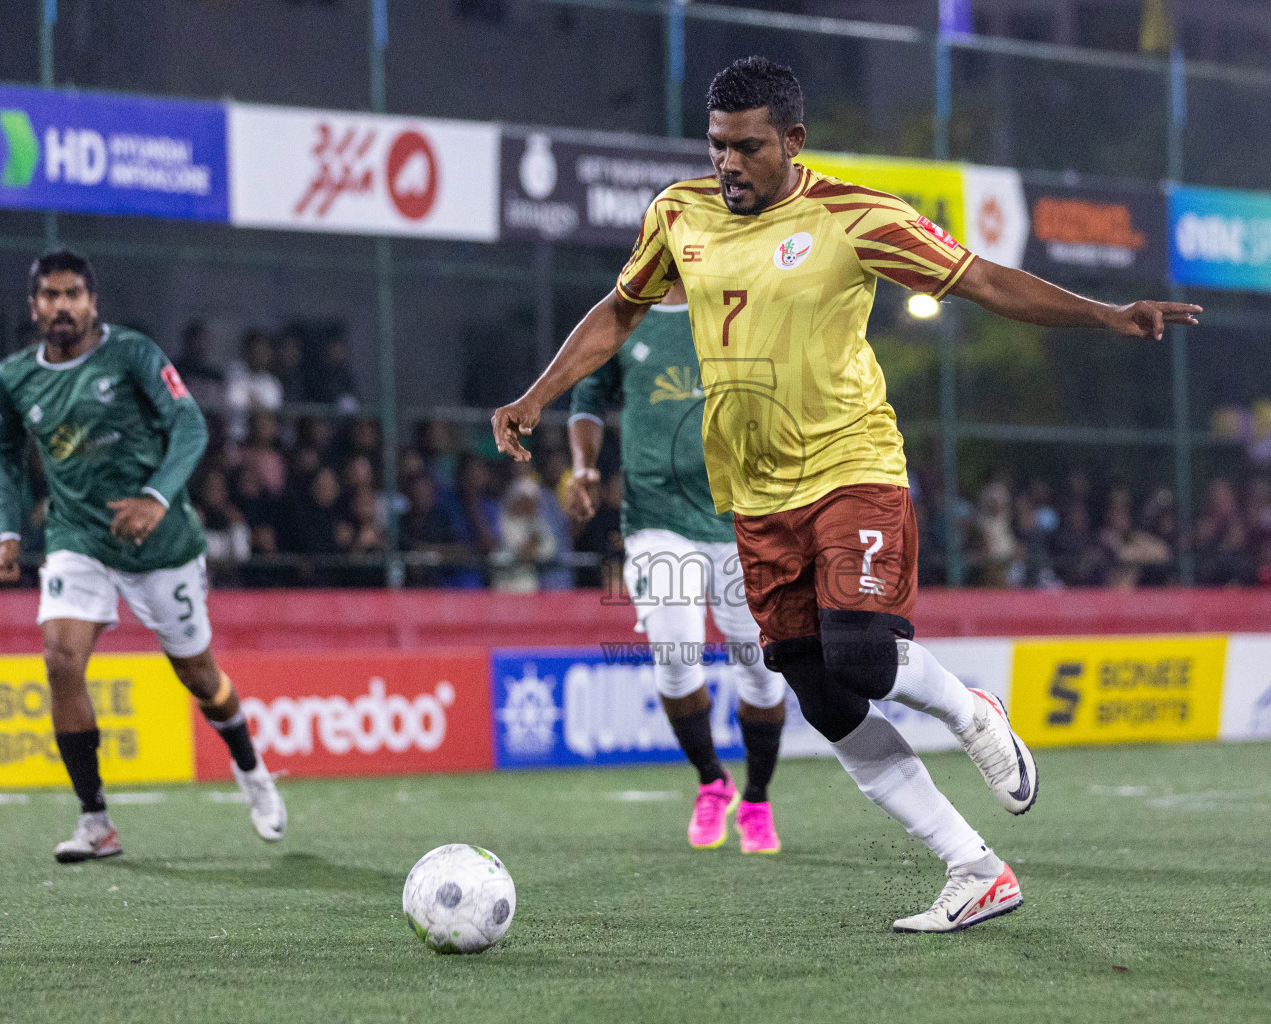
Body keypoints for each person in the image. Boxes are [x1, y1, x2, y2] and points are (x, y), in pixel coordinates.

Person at [491, 57, 1200, 933]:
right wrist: (535, 396)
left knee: (863, 654)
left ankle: (972, 711)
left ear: (792, 141)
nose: (728, 164)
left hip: (851, 467)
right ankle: (973, 868)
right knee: (821, 696)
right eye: (717, 146)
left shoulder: (857, 218)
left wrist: (1102, 313)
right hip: (752, 496)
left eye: (747, 147)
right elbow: (618, 310)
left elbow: (981, 280)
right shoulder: (678, 214)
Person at [0, 251, 286, 862]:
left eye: (74, 294)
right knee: (61, 660)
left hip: (162, 543)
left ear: (92, 302)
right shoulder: (14, 377)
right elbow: (4, 453)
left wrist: (155, 498)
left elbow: (190, 427)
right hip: (78, 539)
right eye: (50, 295)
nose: (62, 305)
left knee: (199, 675)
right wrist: (9, 532)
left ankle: (251, 768)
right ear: (34, 305)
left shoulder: (132, 355)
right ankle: (95, 821)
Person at [568, 278, 789, 854]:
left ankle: (758, 798)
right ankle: (713, 782)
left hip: (743, 516)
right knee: (675, 656)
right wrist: (584, 466)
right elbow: (587, 399)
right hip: (655, 516)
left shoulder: (740, 302)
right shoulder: (623, 314)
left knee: (763, 673)